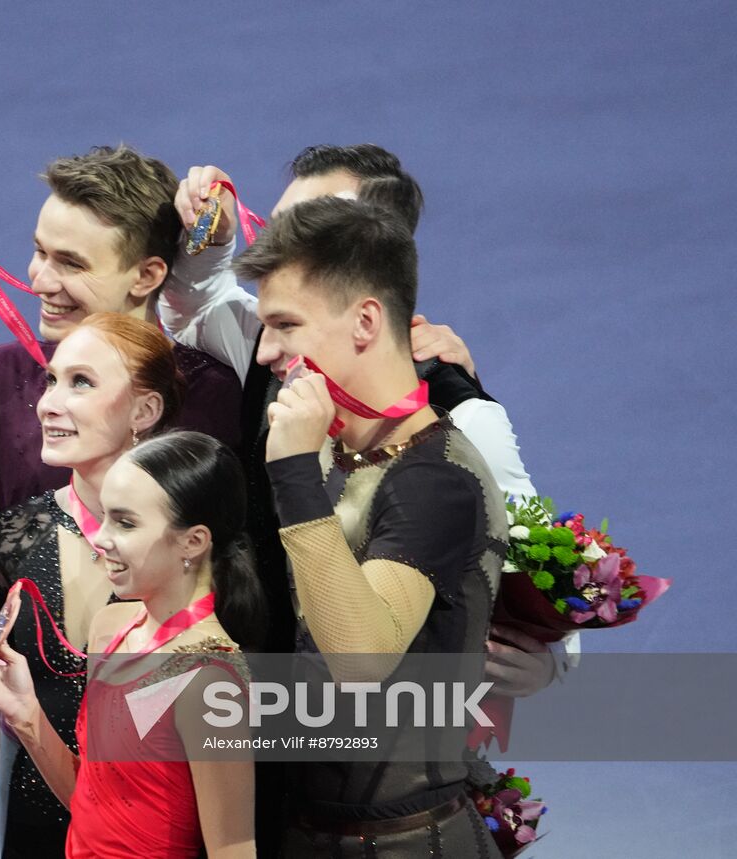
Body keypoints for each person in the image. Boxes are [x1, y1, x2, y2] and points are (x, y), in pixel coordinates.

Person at [162, 145, 570, 689]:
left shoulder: (460, 415)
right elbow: (193, 313)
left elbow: (532, 556)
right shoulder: (275, 343)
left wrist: (552, 658)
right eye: (280, 223)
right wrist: (209, 248)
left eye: (312, 224)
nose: (283, 240)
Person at [242, 196, 506, 856]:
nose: (266, 351)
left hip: (409, 843)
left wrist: (294, 474)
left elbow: (359, 663)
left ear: (365, 321)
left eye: (285, 325)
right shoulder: (329, 449)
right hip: (307, 832)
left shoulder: (436, 480)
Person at [0, 144, 241, 514]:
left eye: (71, 263)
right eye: (40, 252)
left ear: (146, 276)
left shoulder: (212, 396)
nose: (40, 282)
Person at [0, 431, 264, 858]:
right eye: (105, 517)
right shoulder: (112, 625)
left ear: (193, 541)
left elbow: (233, 851)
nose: (101, 539)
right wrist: (25, 712)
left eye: (125, 523)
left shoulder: (209, 680)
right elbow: (92, 804)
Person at [0, 312, 186, 857]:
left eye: (81, 382)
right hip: (37, 822)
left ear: (144, 411)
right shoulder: (10, 537)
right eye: (52, 380)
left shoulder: (192, 545)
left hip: (155, 831)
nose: (48, 404)